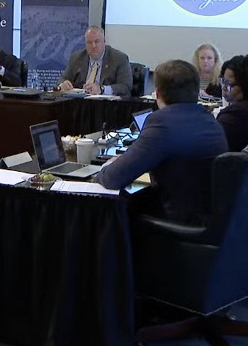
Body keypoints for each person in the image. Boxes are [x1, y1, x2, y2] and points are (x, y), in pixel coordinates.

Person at [96, 60, 228, 226]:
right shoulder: (210, 120)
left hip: (180, 225)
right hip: (212, 223)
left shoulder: (162, 123)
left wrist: (106, 167)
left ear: (157, 94)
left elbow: (113, 178)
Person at [58, 26, 132, 96]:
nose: (93, 46)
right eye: (89, 42)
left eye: (97, 41)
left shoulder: (119, 58)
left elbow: (125, 87)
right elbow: (62, 79)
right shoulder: (76, 58)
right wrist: (63, 84)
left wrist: (102, 89)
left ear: (104, 41)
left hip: (106, 105)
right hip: (80, 104)